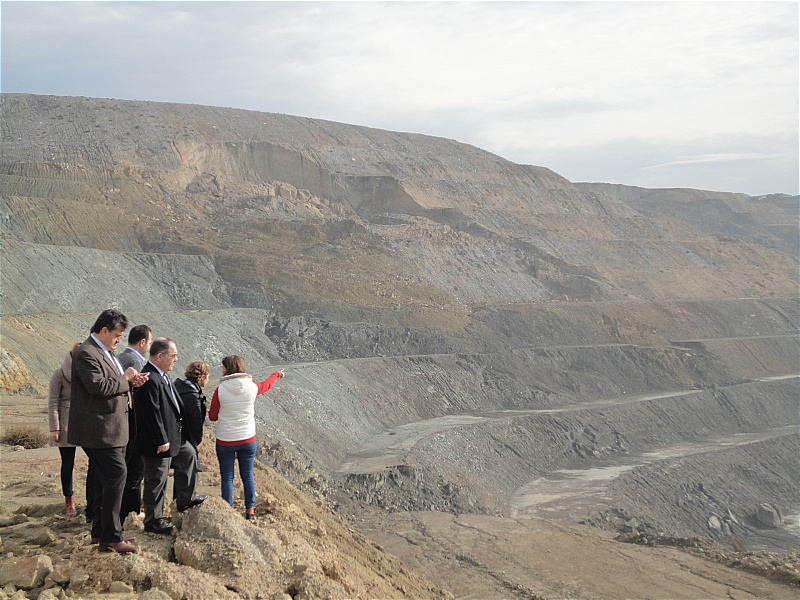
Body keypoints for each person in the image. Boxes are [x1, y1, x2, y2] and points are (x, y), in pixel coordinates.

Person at [68, 309, 148, 554]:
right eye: (116, 335)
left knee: (107, 479)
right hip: (100, 429)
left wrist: (131, 383)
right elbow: (99, 387)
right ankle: (111, 538)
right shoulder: (85, 353)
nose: (118, 340)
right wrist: (126, 378)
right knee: (116, 475)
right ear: (103, 330)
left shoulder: (106, 352)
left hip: (113, 428)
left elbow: (114, 385)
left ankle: (101, 532)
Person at [134, 338, 206, 535]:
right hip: (157, 441)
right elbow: (151, 412)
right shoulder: (149, 378)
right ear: (160, 356)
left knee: (189, 455)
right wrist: (160, 439)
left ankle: (185, 499)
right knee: (157, 478)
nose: (176, 359)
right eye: (173, 356)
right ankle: (153, 521)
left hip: (173, 437)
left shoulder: (163, 376)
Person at [209, 355, 284, 521]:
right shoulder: (252, 386)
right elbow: (267, 385)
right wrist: (276, 374)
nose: (221, 370)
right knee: (247, 474)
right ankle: (250, 511)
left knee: (227, 476)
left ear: (228, 369)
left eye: (222, 367)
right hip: (247, 439)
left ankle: (228, 513)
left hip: (225, 440)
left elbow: (212, 416)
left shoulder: (220, 390)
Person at [48, 342, 95, 519]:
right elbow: (52, 402)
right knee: (68, 464)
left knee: (95, 460)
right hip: (65, 424)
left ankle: (93, 500)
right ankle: (69, 500)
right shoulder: (59, 374)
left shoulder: (87, 373)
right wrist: (54, 428)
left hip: (85, 422)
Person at [117, 324, 153, 521]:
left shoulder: (121, 357)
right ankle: (130, 514)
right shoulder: (133, 362)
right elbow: (139, 398)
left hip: (122, 425)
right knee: (133, 474)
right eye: (148, 342)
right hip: (131, 427)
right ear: (142, 342)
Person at [174, 361, 210, 471]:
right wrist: (196, 441)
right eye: (207, 376)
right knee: (187, 479)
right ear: (202, 376)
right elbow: (195, 423)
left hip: (175, 438)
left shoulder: (177, 387)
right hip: (186, 442)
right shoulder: (193, 395)